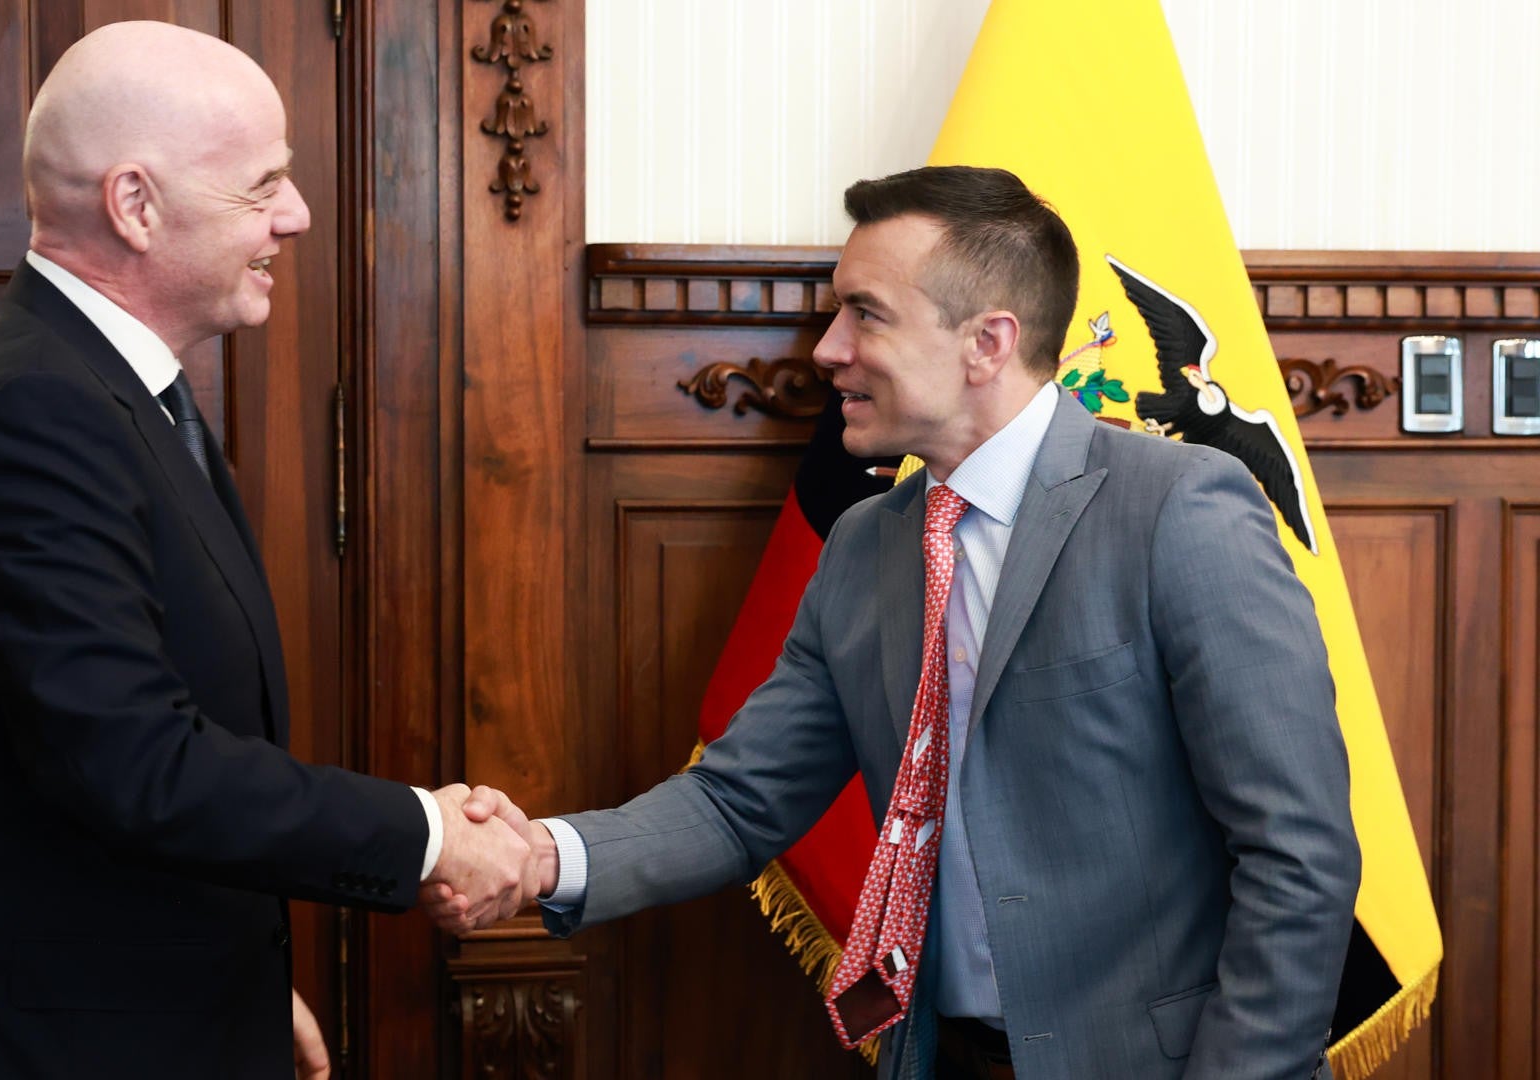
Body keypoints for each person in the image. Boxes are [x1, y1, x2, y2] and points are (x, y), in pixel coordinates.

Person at [436, 166, 1360, 1079]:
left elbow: (1298, 854)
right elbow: (739, 801)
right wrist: (541, 857)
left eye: (864, 314)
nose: (827, 349)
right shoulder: (864, 548)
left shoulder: (1180, 507)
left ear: (987, 344)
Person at [0, 21, 529, 1080]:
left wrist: (237, 981)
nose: (293, 218)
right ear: (136, 206)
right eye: (262, 188)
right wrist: (427, 833)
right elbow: (136, 763)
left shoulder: (110, 392)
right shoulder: (35, 415)